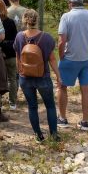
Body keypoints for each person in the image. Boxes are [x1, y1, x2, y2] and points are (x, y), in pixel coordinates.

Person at [13, 9, 61, 142]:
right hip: (43, 76)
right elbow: (51, 59)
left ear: (24, 21)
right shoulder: (46, 37)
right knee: (50, 106)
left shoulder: (19, 37)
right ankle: (54, 134)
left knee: (32, 106)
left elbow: (18, 58)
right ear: (37, 20)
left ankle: (38, 135)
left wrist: (20, 73)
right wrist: (58, 75)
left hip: (25, 77)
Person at [57, 0, 88, 132]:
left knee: (62, 86)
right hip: (87, 58)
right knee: (85, 88)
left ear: (70, 3)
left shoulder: (66, 17)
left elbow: (61, 41)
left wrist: (61, 55)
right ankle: (85, 121)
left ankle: (62, 118)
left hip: (70, 57)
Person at [0, 0, 19, 111]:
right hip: (11, 55)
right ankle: (13, 103)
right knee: (12, 79)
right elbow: (15, 39)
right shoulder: (11, 22)